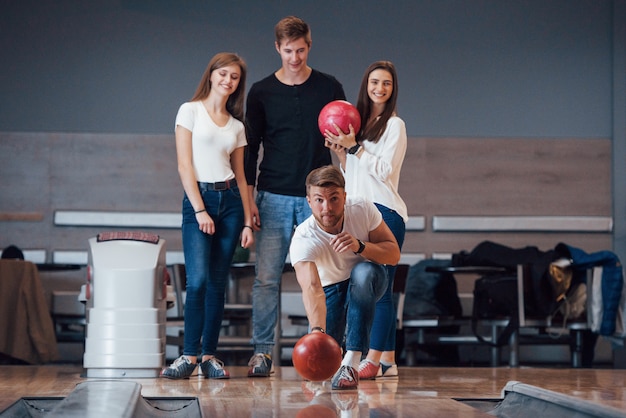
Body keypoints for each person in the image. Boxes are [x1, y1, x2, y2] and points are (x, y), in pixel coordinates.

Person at [244, 15, 346, 377]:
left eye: (301, 50)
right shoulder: (260, 92)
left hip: (316, 200)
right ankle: (262, 354)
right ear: (277, 48)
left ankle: (330, 351)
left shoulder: (329, 86)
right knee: (267, 278)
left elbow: (343, 144)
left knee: (326, 277)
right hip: (271, 195)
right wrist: (249, 202)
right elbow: (250, 146)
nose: (295, 57)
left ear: (309, 44)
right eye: (288, 51)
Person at [161, 52, 254, 380]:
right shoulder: (189, 111)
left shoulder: (237, 127)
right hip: (198, 200)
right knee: (197, 281)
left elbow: (242, 177)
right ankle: (187, 356)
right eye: (223, 74)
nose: (228, 81)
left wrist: (246, 221)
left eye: (235, 77)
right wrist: (200, 209)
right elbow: (184, 165)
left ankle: (209, 356)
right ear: (211, 75)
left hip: (230, 202)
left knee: (217, 284)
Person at [323, 61, 408, 380]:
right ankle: (388, 361)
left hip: (385, 210)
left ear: (392, 88)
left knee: (381, 290)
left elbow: (385, 172)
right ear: (366, 85)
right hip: (357, 208)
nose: (379, 88)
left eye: (386, 83)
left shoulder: (395, 126)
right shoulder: (357, 124)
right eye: (374, 82)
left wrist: (355, 148)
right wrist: (342, 153)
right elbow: (351, 174)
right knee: (368, 287)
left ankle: (373, 359)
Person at [289, 165, 401, 390]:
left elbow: (393, 253)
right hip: (331, 288)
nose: (327, 208)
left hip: (368, 279)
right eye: (319, 200)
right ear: (309, 201)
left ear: (344, 196)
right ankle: (333, 357)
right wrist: (317, 333)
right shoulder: (303, 237)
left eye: (334, 199)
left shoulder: (362, 208)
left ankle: (352, 361)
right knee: (321, 365)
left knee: (363, 272)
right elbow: (312, 288)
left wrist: (361, 246)